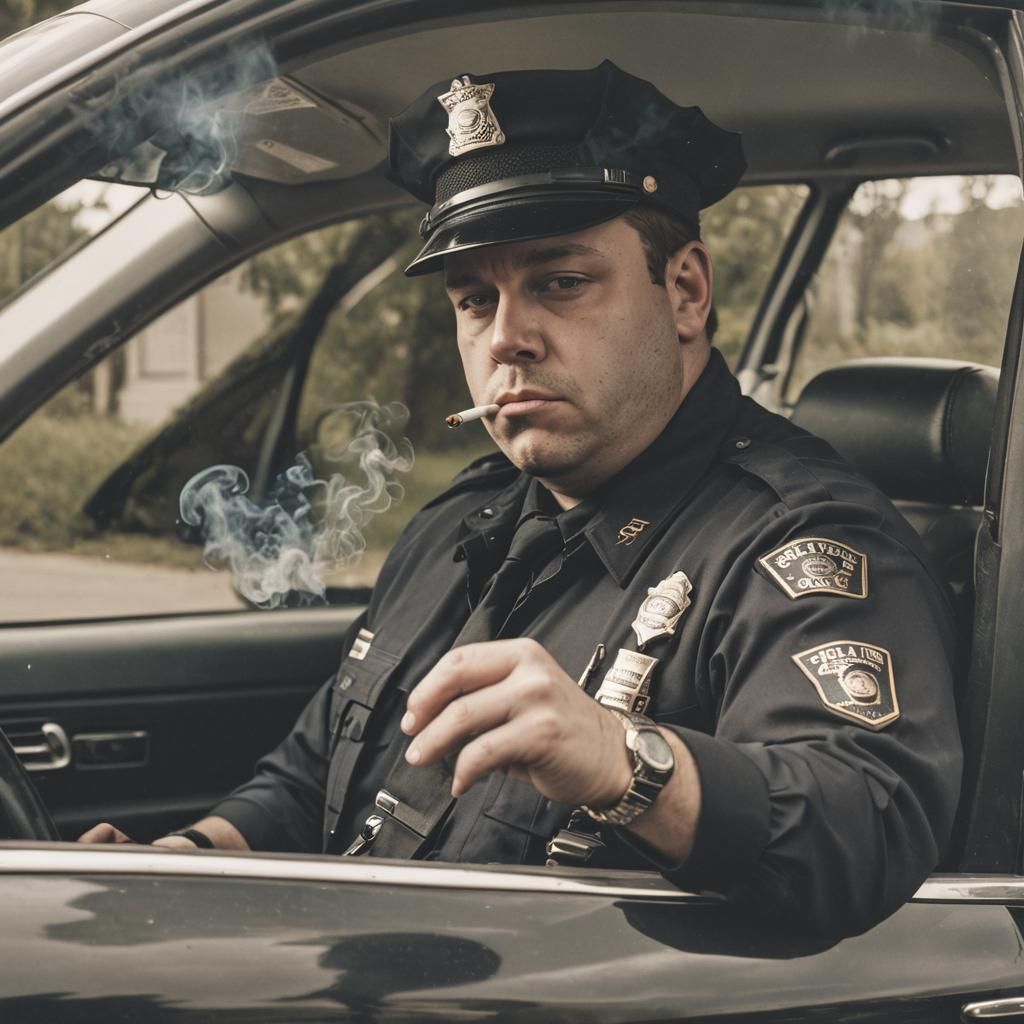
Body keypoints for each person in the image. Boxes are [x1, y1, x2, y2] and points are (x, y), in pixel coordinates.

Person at [81, 61, 962, 938]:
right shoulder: (456, 523)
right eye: (475, 299)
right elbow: (318, 774)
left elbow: (870, 819)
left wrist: (625, 763)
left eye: (559, 282)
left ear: (686, 290)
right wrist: (194, 852)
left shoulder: (798, 538)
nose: (506, 337)